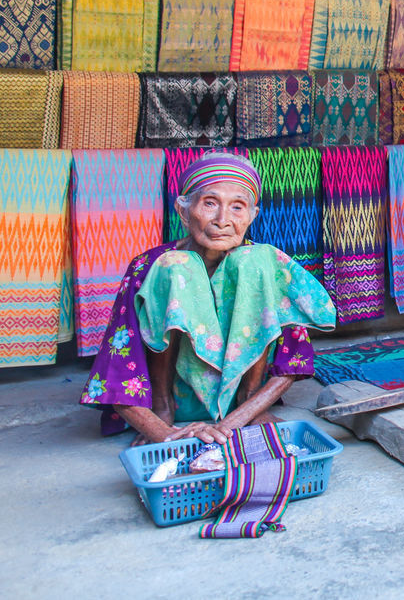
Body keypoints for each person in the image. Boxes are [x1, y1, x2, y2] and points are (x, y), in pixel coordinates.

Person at [81, 153, 337, 445]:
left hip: (240, 406)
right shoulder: (152, 265)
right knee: (175, 265)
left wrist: (234, 421)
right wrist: (160, 432)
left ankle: (248, 397)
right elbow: (117, 366)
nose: (222, 220)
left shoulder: (262, 265)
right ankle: (165, 405)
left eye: (237, 207)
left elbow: (292, 360)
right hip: (174, 402)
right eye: (210, 203)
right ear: (183, 211)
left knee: (255, 260)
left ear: (253, 215)